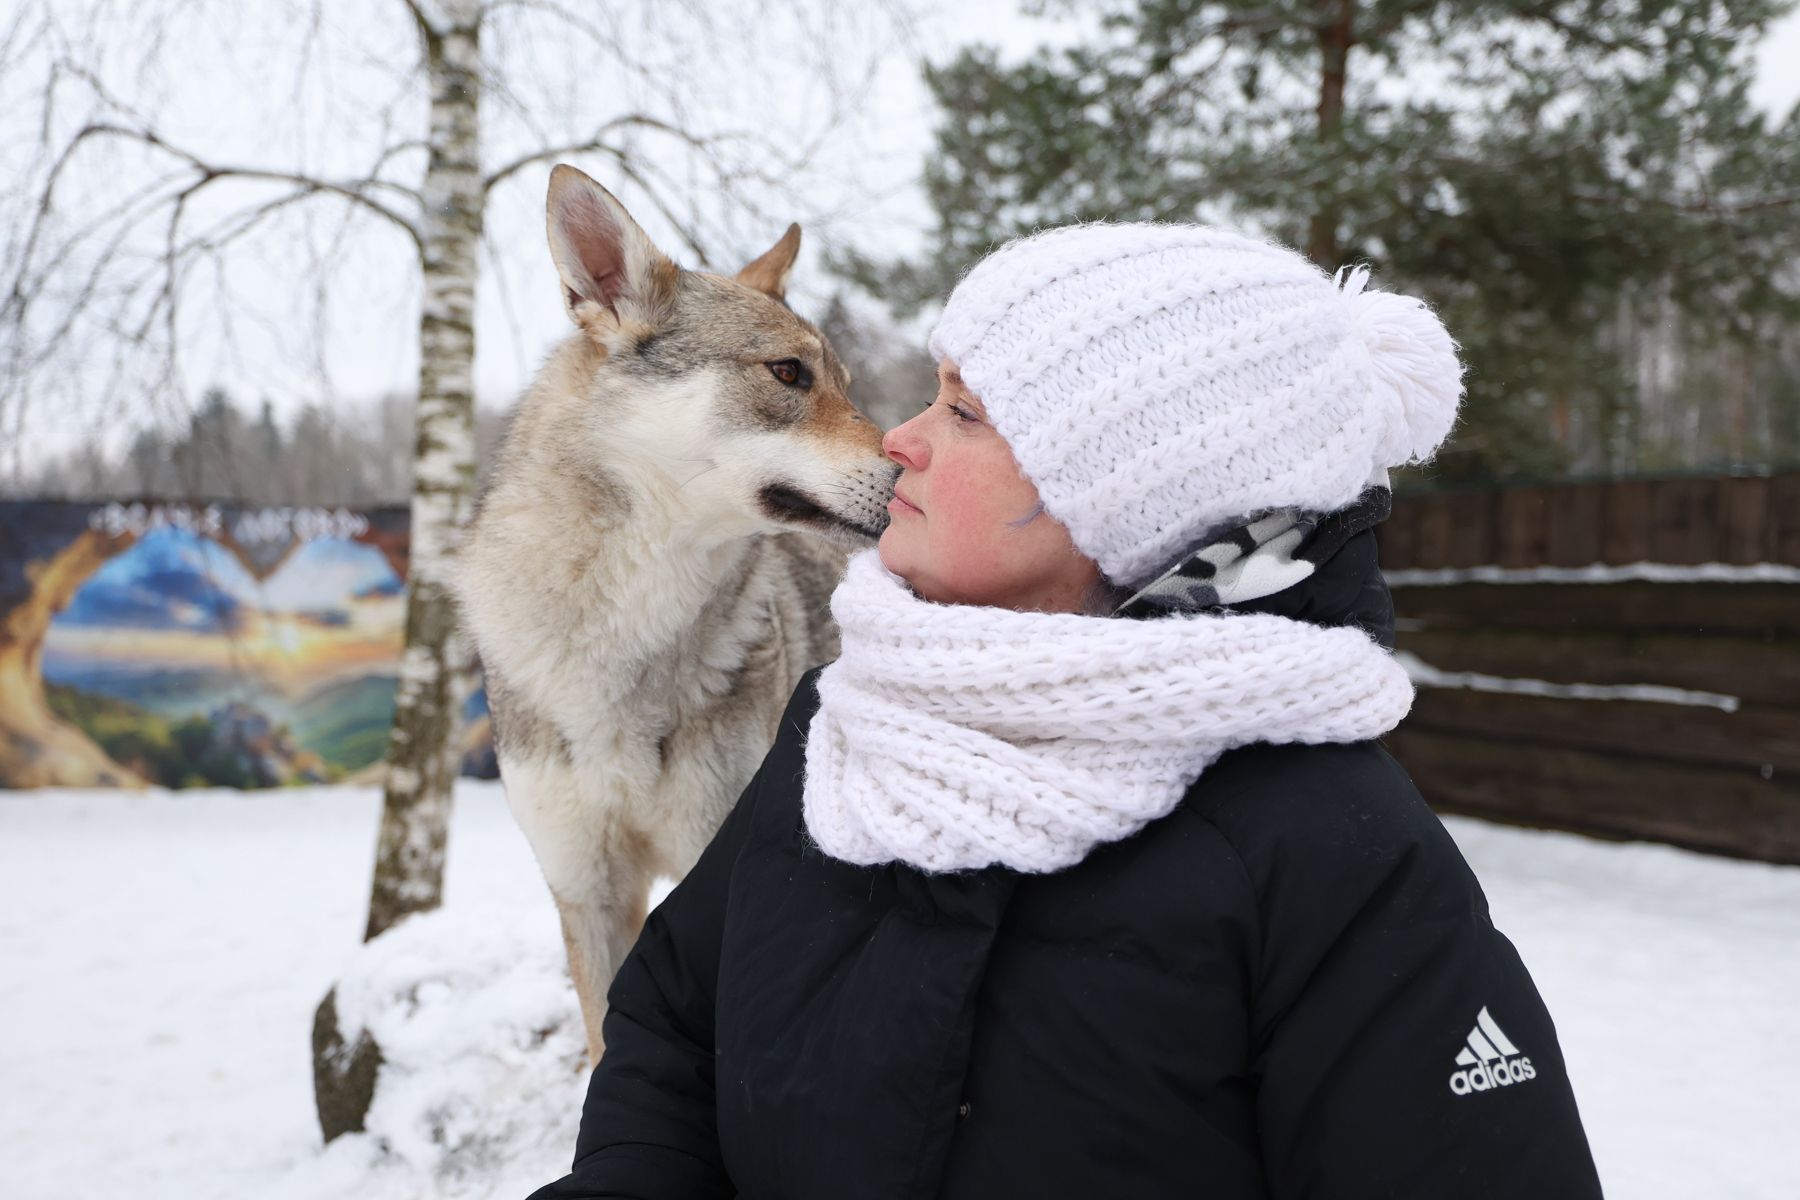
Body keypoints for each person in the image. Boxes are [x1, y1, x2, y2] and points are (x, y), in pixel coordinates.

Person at [527, 222, 1603, 1198]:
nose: (898, 437)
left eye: (965, 411)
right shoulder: (846, 721)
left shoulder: (1329, 854)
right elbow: (674, 1019)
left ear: (1133, 498)